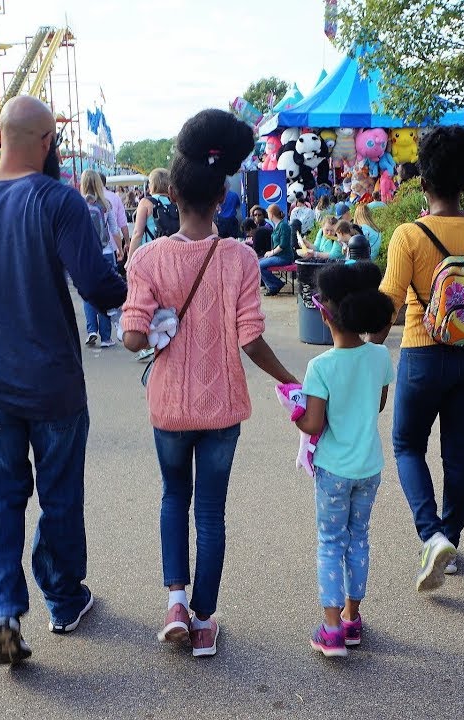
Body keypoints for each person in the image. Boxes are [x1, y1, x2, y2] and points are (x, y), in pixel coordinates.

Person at [0, 96, 127, 665]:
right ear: (46, 143)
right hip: (55, 387)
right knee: (60, 494)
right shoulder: (54, 199)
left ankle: (1, 611)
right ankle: (63, 600)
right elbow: (98, 287)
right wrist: (140, 276)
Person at [121, 108, 299, 659]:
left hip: (169, 405)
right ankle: (202, 620)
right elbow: (250, 340)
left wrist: (156, 326)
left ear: (173, 196)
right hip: (223, 407)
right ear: (222, 198)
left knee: (174, 497)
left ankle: (174, 602)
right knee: (212, 510)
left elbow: (130, 338)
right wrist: (292, 379)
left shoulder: (147, 258)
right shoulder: (241, 257)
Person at [369, 126, 464, 592]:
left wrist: (368, 355)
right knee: (458, 454)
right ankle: (450, 539)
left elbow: (388, 304)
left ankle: (430, 535)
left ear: (422, 182)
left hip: (423, 355)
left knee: (408, 445)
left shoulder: (408, 235)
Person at [293, 262, 396, 657]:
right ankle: (353, 620)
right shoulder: (378, 356)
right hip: (369, 467)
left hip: (334, 469)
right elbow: (379, 404)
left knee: (331, 542)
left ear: (323, 312)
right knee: (359, 539)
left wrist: (294, 408)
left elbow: (313, 423)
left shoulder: (320, 367)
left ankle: (331, 630)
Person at [79, 170, 122, 348]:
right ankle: (106, 337)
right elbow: (113, 228)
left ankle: (91, 330)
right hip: (105, 252)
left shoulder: (78, 204)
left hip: (86, 254)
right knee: (105, 293)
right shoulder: (105, 204)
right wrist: (119, 249)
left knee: (88, 293)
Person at [259, 204, 294, 295]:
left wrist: (271, 253)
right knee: (258, 263)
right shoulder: (278, 225)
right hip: (278, 255)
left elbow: (283, 245)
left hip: (284, 257)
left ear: (271, 214)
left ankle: (274, 285)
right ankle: (275, 284)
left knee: (258, 265)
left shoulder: (283, 226)